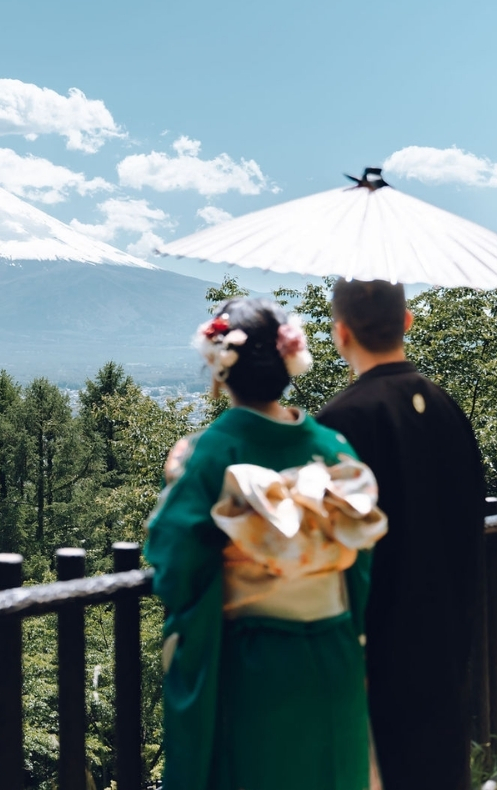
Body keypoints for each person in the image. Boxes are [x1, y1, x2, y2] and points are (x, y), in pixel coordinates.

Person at [145, 297, 387, 790]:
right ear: (289, 363)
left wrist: (179, 479)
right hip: (335, 647)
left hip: (255, 662)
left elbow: (174, 563)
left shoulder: (213, 450)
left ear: (219, 371)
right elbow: (360, 562)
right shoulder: (332, 448)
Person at [316, 279, 485, 790]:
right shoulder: (446, 407)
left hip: (378, 642)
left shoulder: (341, 422)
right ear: (407, 322)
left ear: (340, 333)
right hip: (451, 627)